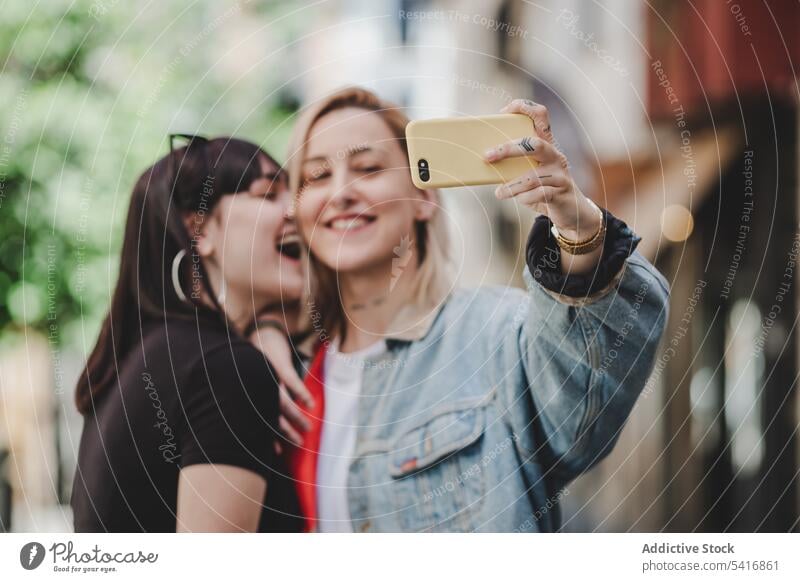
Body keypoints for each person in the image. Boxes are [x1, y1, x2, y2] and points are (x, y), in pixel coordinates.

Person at [255, 87, 670, 532]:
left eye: (368, 168)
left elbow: (583, 412)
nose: (340, 193)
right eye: (317, 176)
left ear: (424, 196)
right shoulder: (284, 372)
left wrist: (575, 227)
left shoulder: (494, 333)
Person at [71, 136, 304, 532]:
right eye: (268, 195)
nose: (296, 211)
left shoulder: (136, 364)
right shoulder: (224, 371)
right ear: (199, 230)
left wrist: (265, 331)